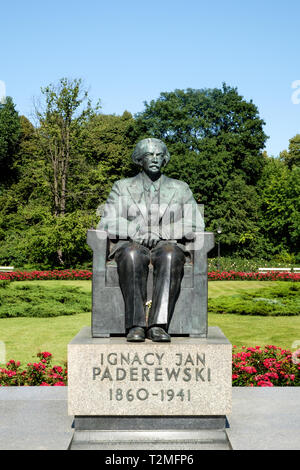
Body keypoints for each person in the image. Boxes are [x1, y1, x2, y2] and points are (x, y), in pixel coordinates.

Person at [99, 138, 204, 342]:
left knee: (171, 254)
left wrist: (162, 231)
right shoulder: (122, 187)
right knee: (131, 254)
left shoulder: (180, 188)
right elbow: (107, 221)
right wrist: (135, 229)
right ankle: (136, 325)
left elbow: (195, 222)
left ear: (165, 159)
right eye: (149, 155)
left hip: (167, 243)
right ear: (139, 159)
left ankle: (158, 325)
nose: (155, 159)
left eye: (159, 155)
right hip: (131, 243)